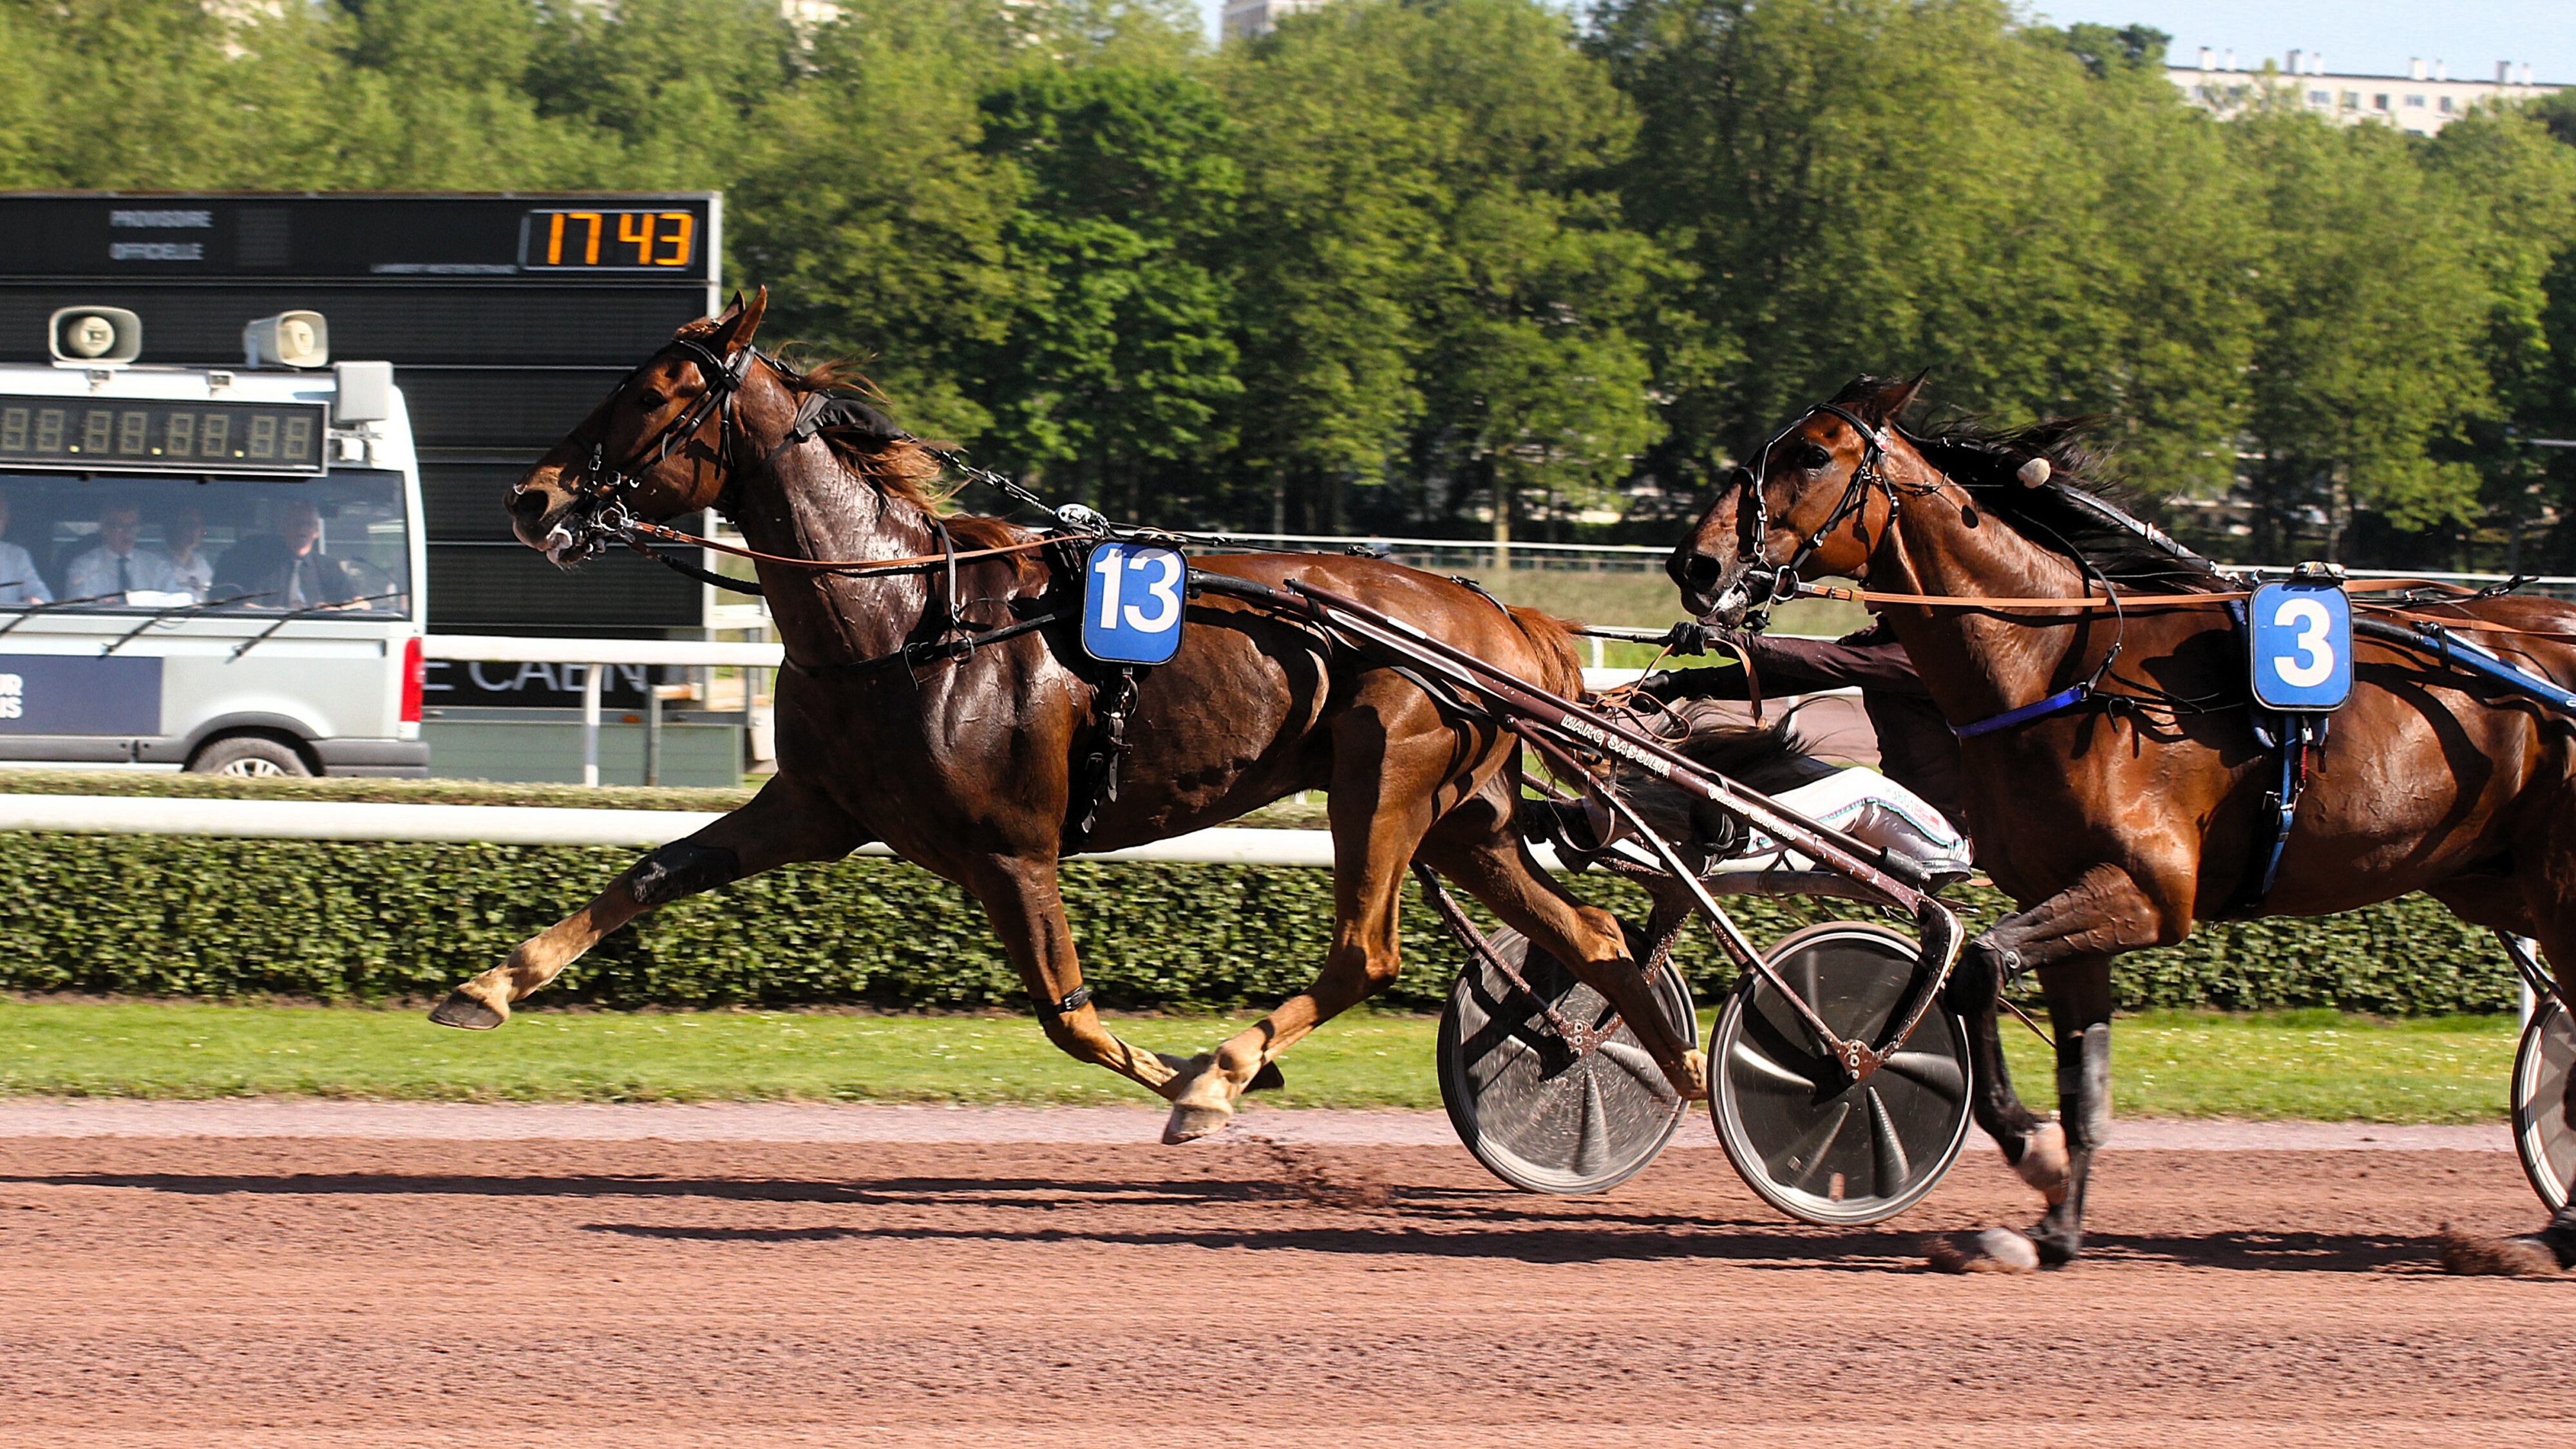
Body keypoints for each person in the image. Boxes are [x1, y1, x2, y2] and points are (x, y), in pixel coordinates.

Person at [213, 497, 359, 607]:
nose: (302, 529)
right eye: (297, 523)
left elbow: (362, 604)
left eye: (308, 524)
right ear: (284, 527)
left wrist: (337, 611)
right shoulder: (262, 564)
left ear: (316, 532)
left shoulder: (328, 567)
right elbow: (247, 606)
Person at [65, 500, 182, 602]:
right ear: (105, 528)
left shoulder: (156, 566)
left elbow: (179, 600)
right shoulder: (84, 567)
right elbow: (77, 603)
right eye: (121, 526)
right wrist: (100, 606)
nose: (128, 533)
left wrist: (141, 601)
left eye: (132, 526)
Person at [0, 494, 50, 607]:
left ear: (6, 520)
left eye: (0, 516)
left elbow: (41, 597)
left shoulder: (16, 556)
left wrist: (34, 602)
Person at [160, 505, 214, 601]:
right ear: (173, 527)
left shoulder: (202, 563)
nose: (194, 531)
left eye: (197, 526)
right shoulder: (158, 563)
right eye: (188, 525)